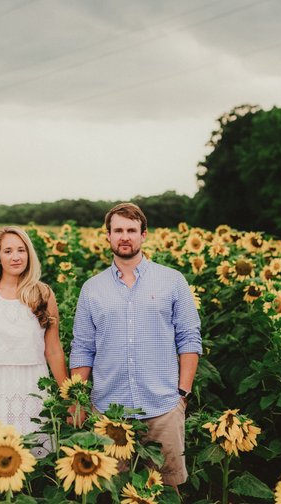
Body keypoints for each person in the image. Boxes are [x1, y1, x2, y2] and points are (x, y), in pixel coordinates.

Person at [70, 203, 202, 489]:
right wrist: (78, 401)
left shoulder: (172, 281)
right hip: (108, 414)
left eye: (131, 230)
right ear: (107, 236)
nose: (124, 236)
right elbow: (82, 348)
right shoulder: (92, 288)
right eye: (118, 230)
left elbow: (189, 338)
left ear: (144, 235)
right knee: (115, 491)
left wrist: (182, 392)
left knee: (166, 490)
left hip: (162, 408)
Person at [0, 226, 68, 453]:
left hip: (34, 388)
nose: (16, 257)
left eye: (21, 250)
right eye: (8, 251)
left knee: (37, 463)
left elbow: (54, 350)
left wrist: (68, 398)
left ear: (29, 254)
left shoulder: (43, 294)